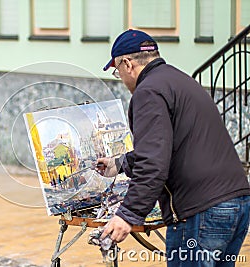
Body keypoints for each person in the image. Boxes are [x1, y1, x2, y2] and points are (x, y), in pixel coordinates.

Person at [97, 29, 250, 266]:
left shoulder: (148, 92)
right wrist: (120, 164)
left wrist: (128, 215)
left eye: (118, 71)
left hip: (201, 210)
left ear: (127, 64)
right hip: (236, 202)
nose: (123, 78)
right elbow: (167, 145)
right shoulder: (179, 80)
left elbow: (153, 164)